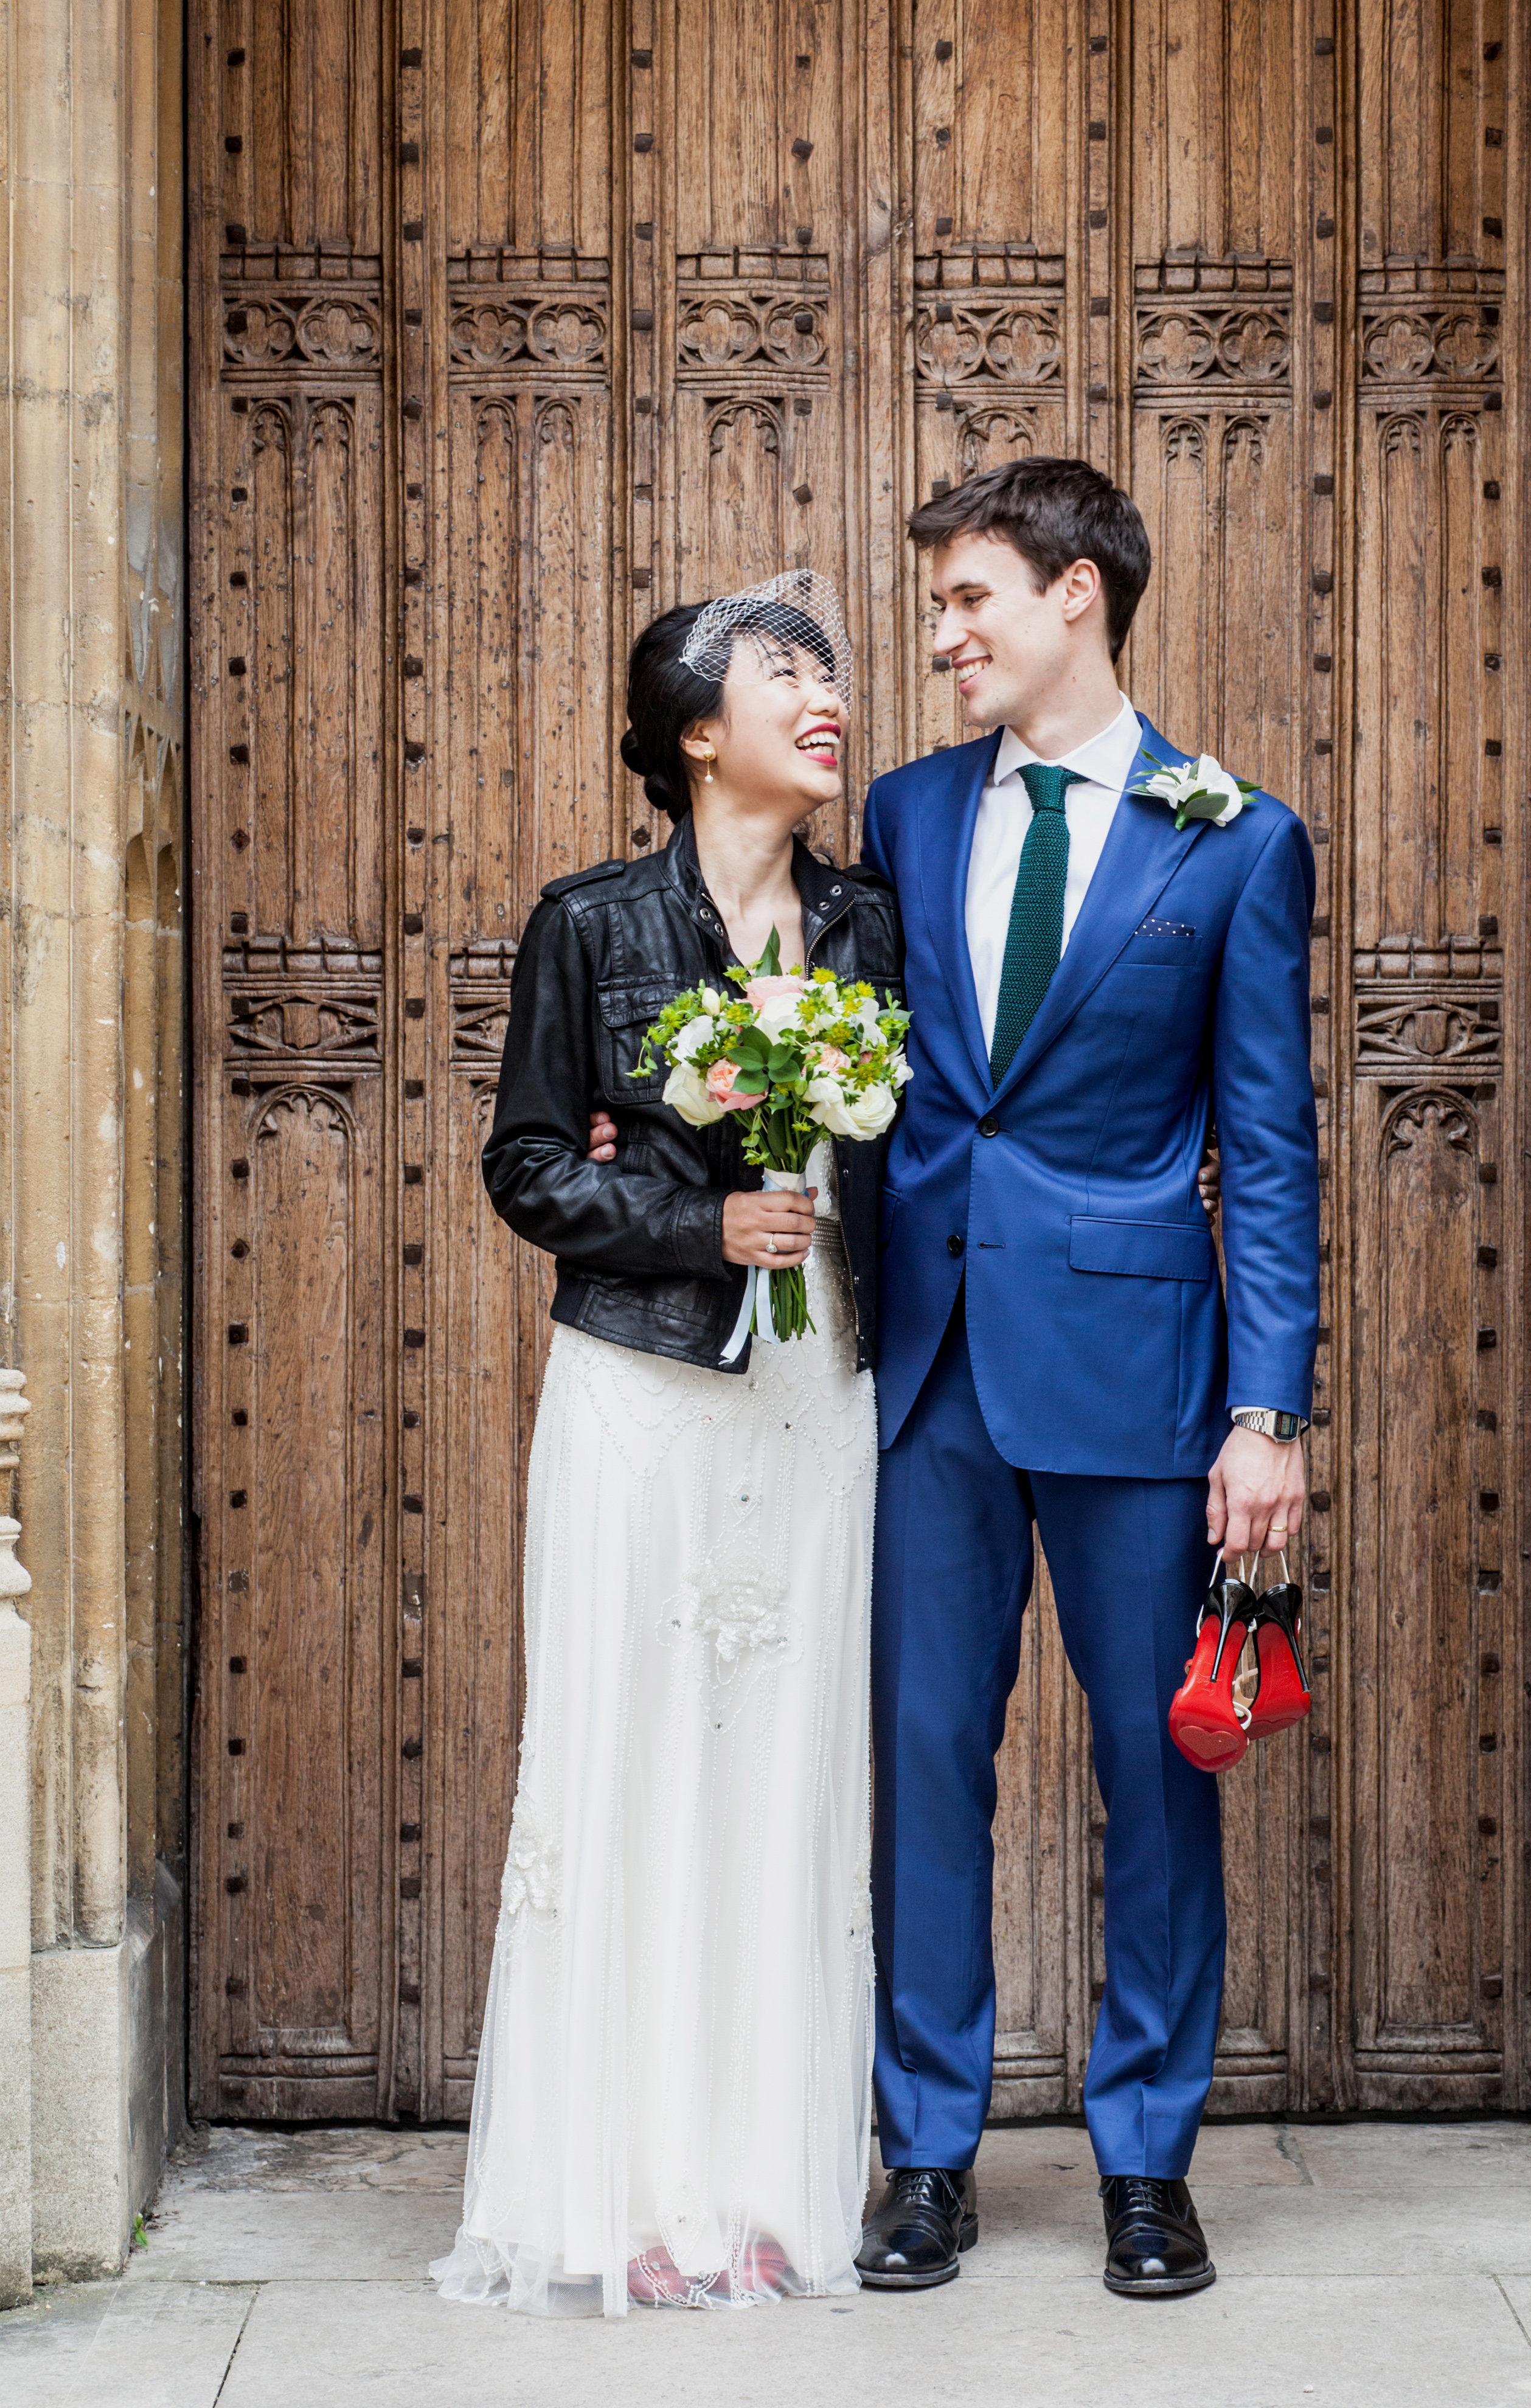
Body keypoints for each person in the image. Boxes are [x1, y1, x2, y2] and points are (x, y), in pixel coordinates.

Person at [850, 456, 1318, 2300]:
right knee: (922, 1765)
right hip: (932, 1372)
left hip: (1143, 1374)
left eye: (970, 600)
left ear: (1077, 599)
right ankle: (926, 2150)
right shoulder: (898, 810)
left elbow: (1266, 1146)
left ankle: (1146, 2156)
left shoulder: (1235, 839)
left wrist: (1265, 1413)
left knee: (1155, 1771)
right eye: (939, 605)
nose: (944, 636)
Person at [430, 577, 901, 2317]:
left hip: (816, 1394)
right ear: (700, 729)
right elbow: (528, 1163)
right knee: (628, 1771)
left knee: (780, 1782)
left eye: (836, 676)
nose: (831, 698)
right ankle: (617, 2190)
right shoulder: (590, 926)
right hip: (642, 1393)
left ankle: (769, 2182)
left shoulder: (866, 926)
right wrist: (696, 1230)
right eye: (790, 676)